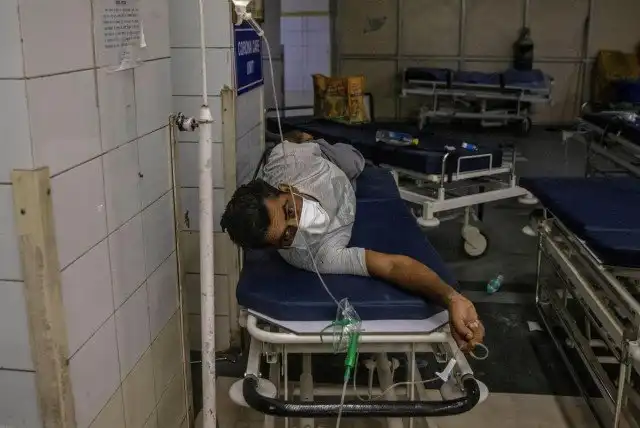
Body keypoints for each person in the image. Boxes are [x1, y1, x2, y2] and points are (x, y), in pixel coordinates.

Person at [220, 133, 485, 352]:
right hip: (349, 183)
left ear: (287, 188)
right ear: (276, 248)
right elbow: (391, 266)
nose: (299, 225)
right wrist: (452, 298)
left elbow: (293, 140)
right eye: (287, 236)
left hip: (326, 158)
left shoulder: (286, 161)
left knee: (350, 156)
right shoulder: (318, 256)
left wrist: (305, 140)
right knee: (356, 167)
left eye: (291, 210)